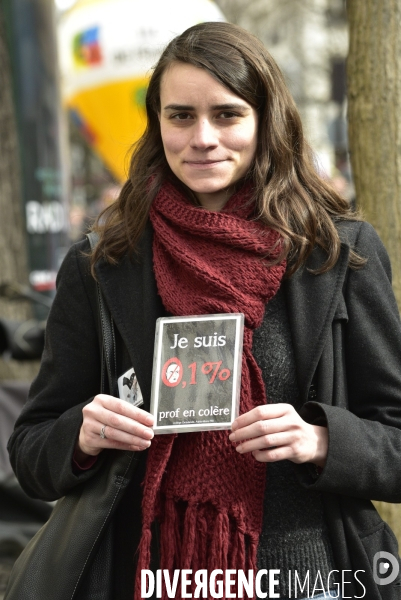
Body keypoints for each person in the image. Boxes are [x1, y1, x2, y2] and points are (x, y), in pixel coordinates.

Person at [7, 21, 401, 600]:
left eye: (227, 114)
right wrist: (82, 435)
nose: (203, 138)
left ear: (266, 122)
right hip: (149, 575)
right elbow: (31, 452)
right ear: (157, 124)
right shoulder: (103, 263)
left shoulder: (336, 255)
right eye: (181, 116)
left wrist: (322, 440)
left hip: (313, 575)